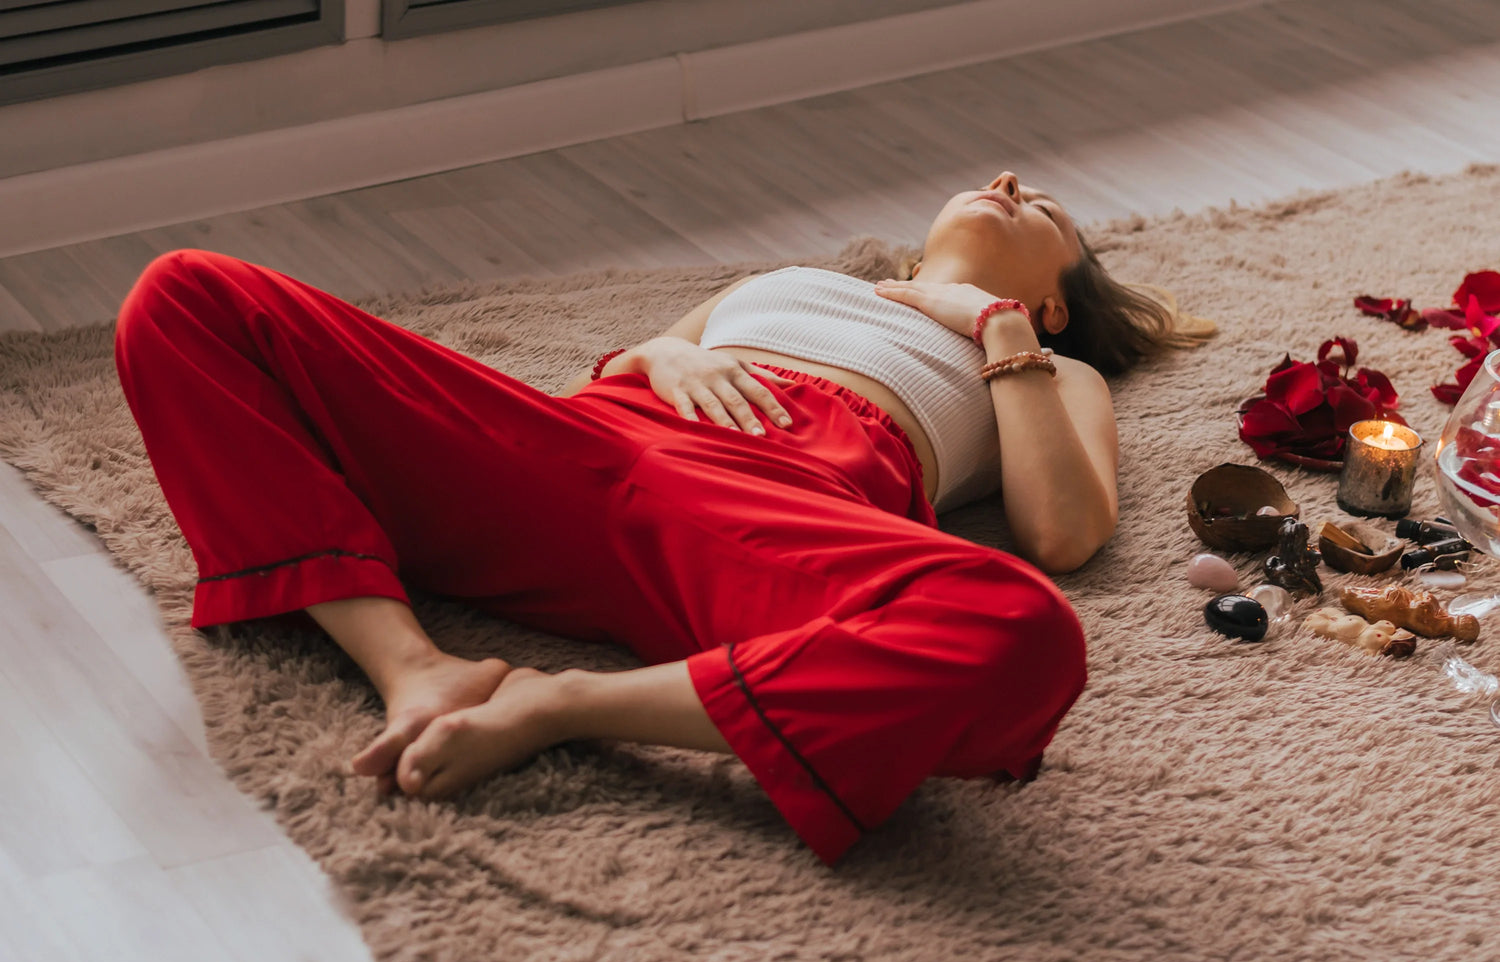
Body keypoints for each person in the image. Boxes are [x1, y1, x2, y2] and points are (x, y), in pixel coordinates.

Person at [112, 170, 1213, 867]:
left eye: (1046, 208)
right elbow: (636, 359)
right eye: (1001, 178)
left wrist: (998, 330)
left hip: (758, 514)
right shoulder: (789, 276)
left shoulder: (1044, 364)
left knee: (1019, 628)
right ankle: (412, 665)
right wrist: (666, 348)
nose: (1010, 180)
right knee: (186, 292)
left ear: (1062, 298)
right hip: (571, 449)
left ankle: (566, 705)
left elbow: (1066, 534)